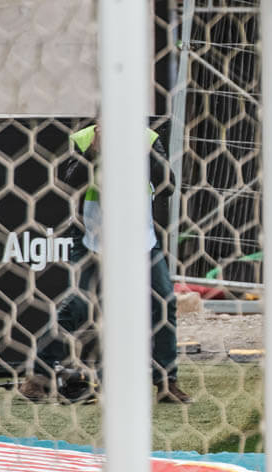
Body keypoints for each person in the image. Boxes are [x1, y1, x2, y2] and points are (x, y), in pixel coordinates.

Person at [18, 124, 191, 403]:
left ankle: (166, 382)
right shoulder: (84, 139)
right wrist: (94, 152)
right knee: (78, 305)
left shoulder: (147, 137)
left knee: (163, 302)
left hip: (140, 239)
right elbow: (68, 184)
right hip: (92, 238)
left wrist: (146, 152)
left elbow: (167, 185)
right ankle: (37, 377)